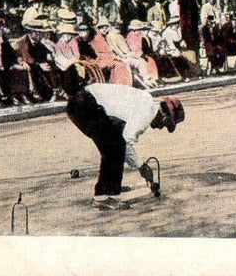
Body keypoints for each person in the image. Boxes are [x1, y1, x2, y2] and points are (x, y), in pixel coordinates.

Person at [66, 82, 185, 211]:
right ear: (165, 118)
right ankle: (103, 196)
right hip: (85, 104)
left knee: (112, 142)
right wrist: (141, 165)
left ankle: (109, 187)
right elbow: (126, 141)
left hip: (81, 101)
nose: (161, 128)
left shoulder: (146, 102)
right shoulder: (146, 114)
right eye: (166, 125)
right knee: (115, 146)